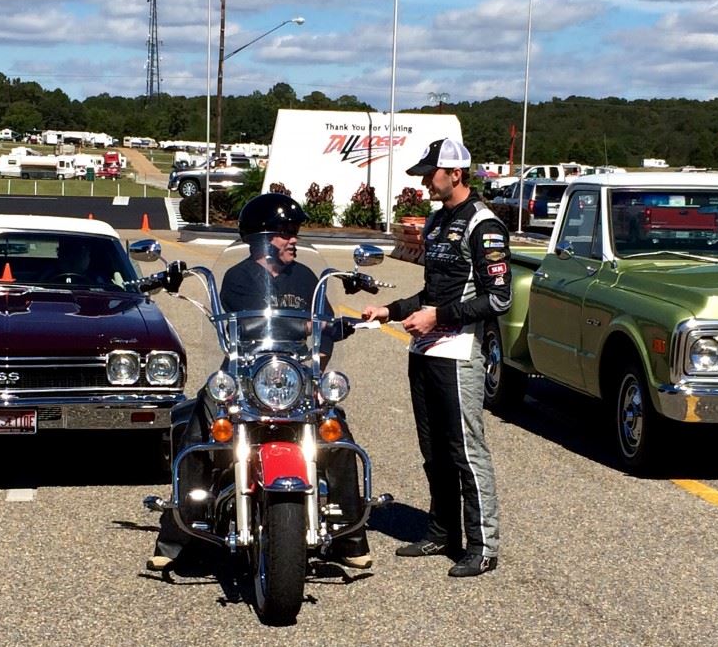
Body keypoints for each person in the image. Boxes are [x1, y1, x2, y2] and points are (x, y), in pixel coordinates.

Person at [148, 193, 371, 572]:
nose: (294, 241)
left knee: (338, 437)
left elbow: (324, 326)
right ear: (262, 239)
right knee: (201, 430)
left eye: (294, 233)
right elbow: (230, 328)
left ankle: (349, 537)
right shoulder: (237, 278)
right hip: (246, 374)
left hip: (294, 376)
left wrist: (319, 359)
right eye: (286, 234)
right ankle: (174, 536)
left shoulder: (306, 277)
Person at [362, 138, 511, 578]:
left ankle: (483, 546)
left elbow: (498, 299)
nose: (425, 181)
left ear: (456, 174)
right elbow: (433, 291)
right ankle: (442, 531)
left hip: (460, 350)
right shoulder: (435, 221)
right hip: (425, 348)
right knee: (433, 451)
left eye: (431, 173)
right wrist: (391, 311)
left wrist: (438, 317)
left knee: (466, 450)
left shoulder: (484, 226)